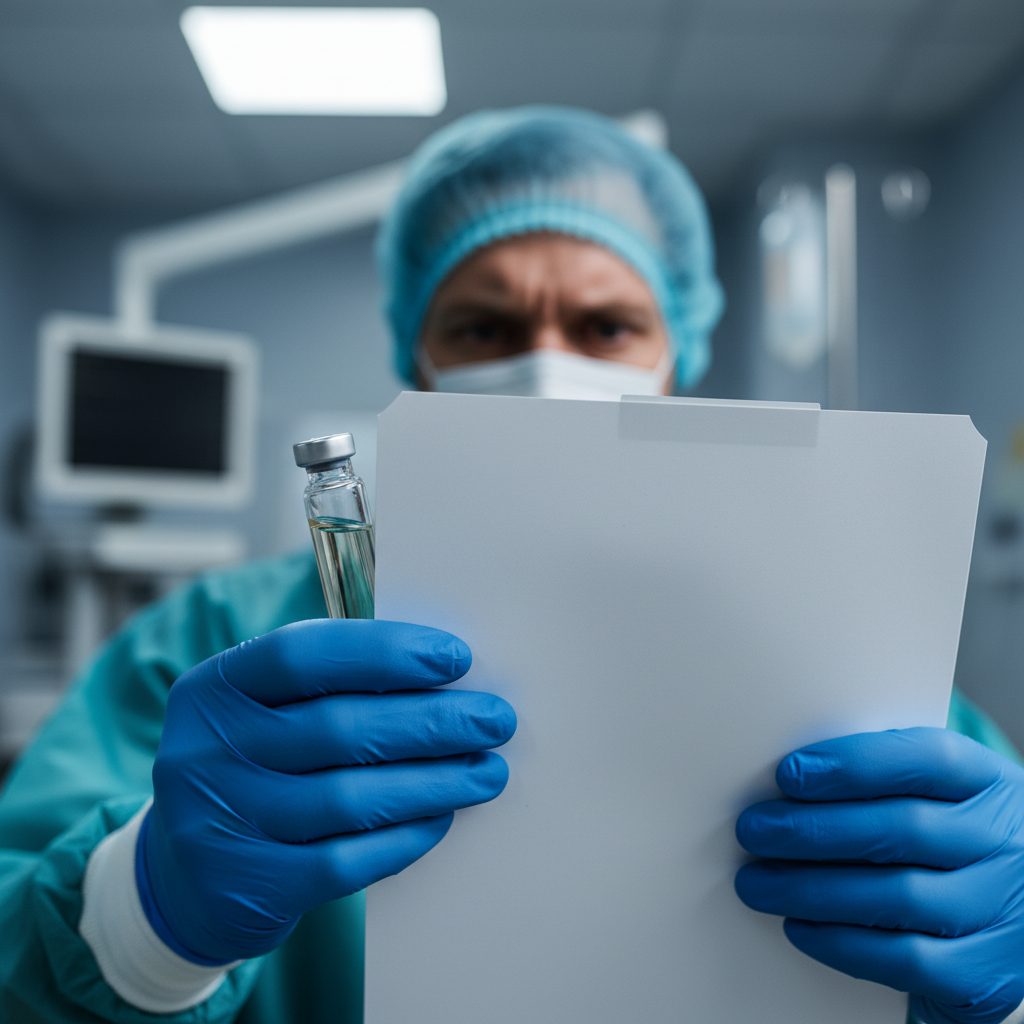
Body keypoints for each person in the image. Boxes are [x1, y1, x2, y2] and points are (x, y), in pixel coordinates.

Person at [0, 107, 1022, 1024]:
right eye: (484, 325)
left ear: (679, 357)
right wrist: (139, 918)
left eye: (605, 326)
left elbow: (968, 893)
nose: (544, 360)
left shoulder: (852, 650)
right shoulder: (215, 640)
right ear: (418, 358)